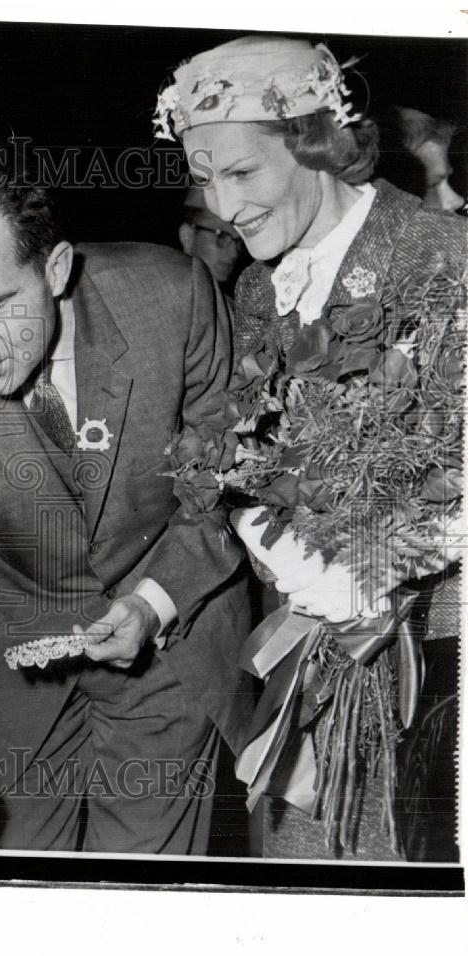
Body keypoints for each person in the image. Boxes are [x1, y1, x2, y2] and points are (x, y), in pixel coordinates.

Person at [0, 153, 253, 853]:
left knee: (139, 898)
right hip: (19, 652)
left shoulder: (174, 298)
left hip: (168, 633)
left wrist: (148, 605)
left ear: (54, 271)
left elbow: (223, 486)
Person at [155, 35, 464, 859]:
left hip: (442, 660)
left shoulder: (444, 259)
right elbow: (252, 444)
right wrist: (274, 536)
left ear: (315, 142)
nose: (221, 206)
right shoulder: (262, 282)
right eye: (206, 177)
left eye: (242, 173)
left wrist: (371, 559)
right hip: (311, 644)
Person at [177, 186, 248, 294]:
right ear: (187, 236)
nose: (234, 254)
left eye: (238, 241)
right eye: (222, 236)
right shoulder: (159, 296)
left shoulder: (230, 307)